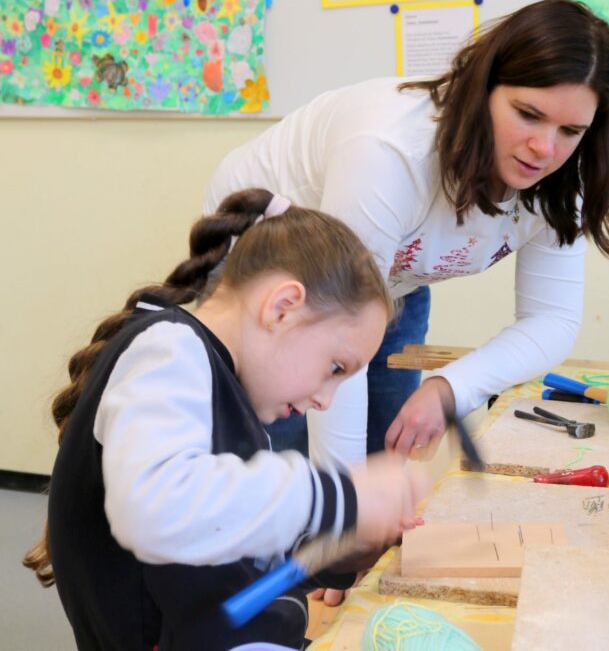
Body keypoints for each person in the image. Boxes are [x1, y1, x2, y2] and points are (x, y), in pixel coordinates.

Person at [205, 0, 609, 470]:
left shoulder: (565, 182)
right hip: (269, 258)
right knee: (279, 458)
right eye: (528, 114)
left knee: (385, 451)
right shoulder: (389, 152)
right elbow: (332, 322)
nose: (544, 149)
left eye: (571, 130)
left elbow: (553, 321)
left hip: (387, 277)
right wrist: (347, 503)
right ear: (483, 88)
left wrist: (450, 387)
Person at [23, 189, 427, 650]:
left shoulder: (225, 393)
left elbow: (238, 553)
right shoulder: (169, 351)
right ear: (282, 308)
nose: (326, 400)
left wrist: (343, 547)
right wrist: (342, 496)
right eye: (336, 368)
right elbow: (161, 508)